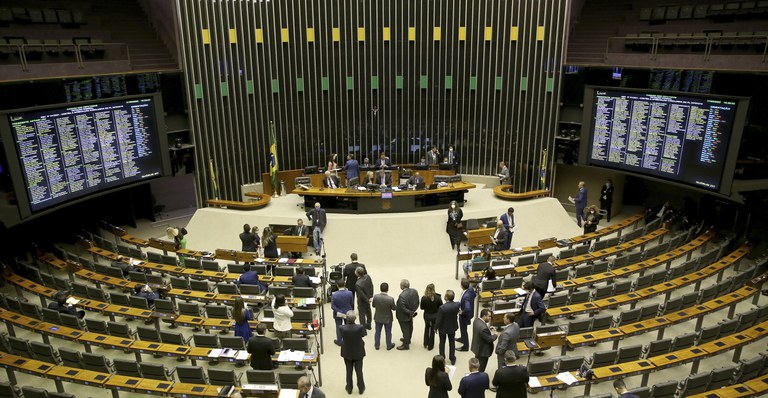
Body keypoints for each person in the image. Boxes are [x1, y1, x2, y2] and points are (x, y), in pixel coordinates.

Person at [340, 310, 366, 395]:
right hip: (358, 352)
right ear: (355, 318)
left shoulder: (342, 328)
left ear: (347, 319)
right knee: (359, 370)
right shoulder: (360, 327)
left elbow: (341, 336)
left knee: (349, 370)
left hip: (347, 352)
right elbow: (363, 335)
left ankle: (349, 388)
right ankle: (361, 388)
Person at [435, 289, 460, 364]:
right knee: (452, 342)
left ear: (446, 297)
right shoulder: (457, 305)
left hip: (443, 328)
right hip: (452, 326)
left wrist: (435, 328)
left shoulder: (442, 308)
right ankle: (452, 358)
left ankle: (442, 358)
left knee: (442, 343)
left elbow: (439, 320)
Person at [395, 279, 420, 350]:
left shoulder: (402, 296)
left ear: (402, 286)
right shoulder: (414, 291)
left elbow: (403, 308)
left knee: (405, 329)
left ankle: (406, 345)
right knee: (410, 326)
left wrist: (410, 312)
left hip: (403, 315)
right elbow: (417, 302)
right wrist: (413, 311)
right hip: (410, 313)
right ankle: (408, 339)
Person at [372, 282, 397, 350]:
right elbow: (394, 308)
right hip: (388, 318)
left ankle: (377, 345)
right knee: (388, 332)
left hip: (378, 316)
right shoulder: (390, 299)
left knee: (377, 332)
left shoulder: (376, 297)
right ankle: (389, 345)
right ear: (387, 289)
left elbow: (373, 305)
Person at [420, 283, 443, 350]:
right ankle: (430, 346)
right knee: (433, 330)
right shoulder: (438, 298)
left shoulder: (424, 298)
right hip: (435, 316)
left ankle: (425, 343)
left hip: (427, 315)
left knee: (427, 328)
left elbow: (421, 307)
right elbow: (441, 307)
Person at [331, 280, 354, 346]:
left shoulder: (334, 295)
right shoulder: (350, 293)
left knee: (338, 327)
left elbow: (333, 306)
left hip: (338, 313)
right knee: (348, 327)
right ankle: (348, 341)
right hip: (348, 312)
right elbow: (351, 303)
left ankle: (339, 341)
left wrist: (340, 311)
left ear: (337, 285)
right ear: (344, 284)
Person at [457, 278, 476, 351]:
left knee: (464, 330)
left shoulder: (466, 297)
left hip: (464, 316)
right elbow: (474, 295)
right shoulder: (470, 288)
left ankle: (465, 346)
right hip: (468, 313)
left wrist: (462, 312)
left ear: (462, 286)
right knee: (463, 329)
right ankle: (462, 338)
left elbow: (467, 308)